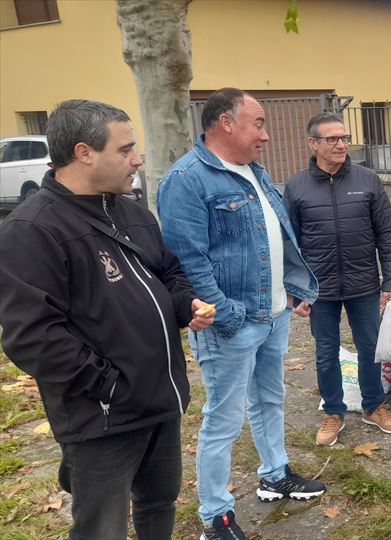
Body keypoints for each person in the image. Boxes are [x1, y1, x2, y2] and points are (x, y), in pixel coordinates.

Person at [0, 99, 213, 539]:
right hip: (102, 417)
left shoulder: (130, 211)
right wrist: (110, 385)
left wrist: (185, 304)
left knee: (158, 502)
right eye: (125, 149)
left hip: (159, 400)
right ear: (83, 153)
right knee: (103, 528)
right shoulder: (33, 228)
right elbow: (31, 335)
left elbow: (168, 271)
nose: (137, 159)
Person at [157, 88, 323, 540]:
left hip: (274, 316)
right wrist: (227, 315)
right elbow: (187, 261)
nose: (265, 135)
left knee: (271, 399)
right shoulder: (187, 179)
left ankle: (275, 473)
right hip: (231, 324)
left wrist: (292, 289)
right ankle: (215, 516)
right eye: (259, 123)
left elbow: (277, 235)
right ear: (225, 124)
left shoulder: (253, 170)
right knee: (223, 420)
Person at [284, 112, 391, 447]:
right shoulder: (296, 187)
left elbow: (387, 233)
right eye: (333, 139)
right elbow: (289, 244)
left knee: (369, 348)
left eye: (344, 138)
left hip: (364, 284)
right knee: (325, 352)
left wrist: (390, 282)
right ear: (314, 144)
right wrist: (296, 291)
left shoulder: (367, 180)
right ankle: (333, 412)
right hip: (319, 289)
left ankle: (373, 406)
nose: (341, 144)